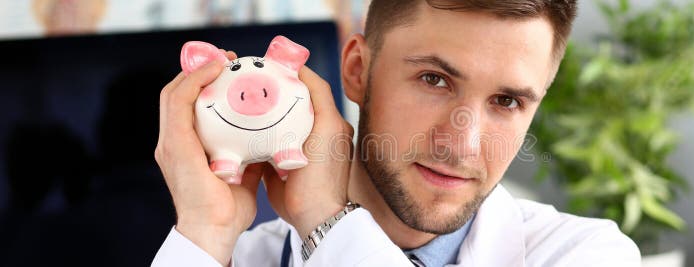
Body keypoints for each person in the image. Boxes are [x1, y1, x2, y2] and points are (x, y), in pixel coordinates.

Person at [152, 0, 641, 266]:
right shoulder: (231, 260)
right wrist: (205, 232)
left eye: (507, 101)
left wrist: (327, 220)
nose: (463, 143)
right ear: (358, 71)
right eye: (434, 80)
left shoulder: (585, 254)